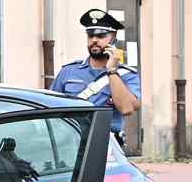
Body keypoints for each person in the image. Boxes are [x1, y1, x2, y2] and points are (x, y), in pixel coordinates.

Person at [51, 8, 141, 149]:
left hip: (107, 145)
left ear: (113, 38)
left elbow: (126, 108)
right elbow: (52, 108)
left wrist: (112, 71)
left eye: (100, 36)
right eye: (90, 35)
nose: (94, 40)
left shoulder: (127, 75)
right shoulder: (68, 71)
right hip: (70, 143)